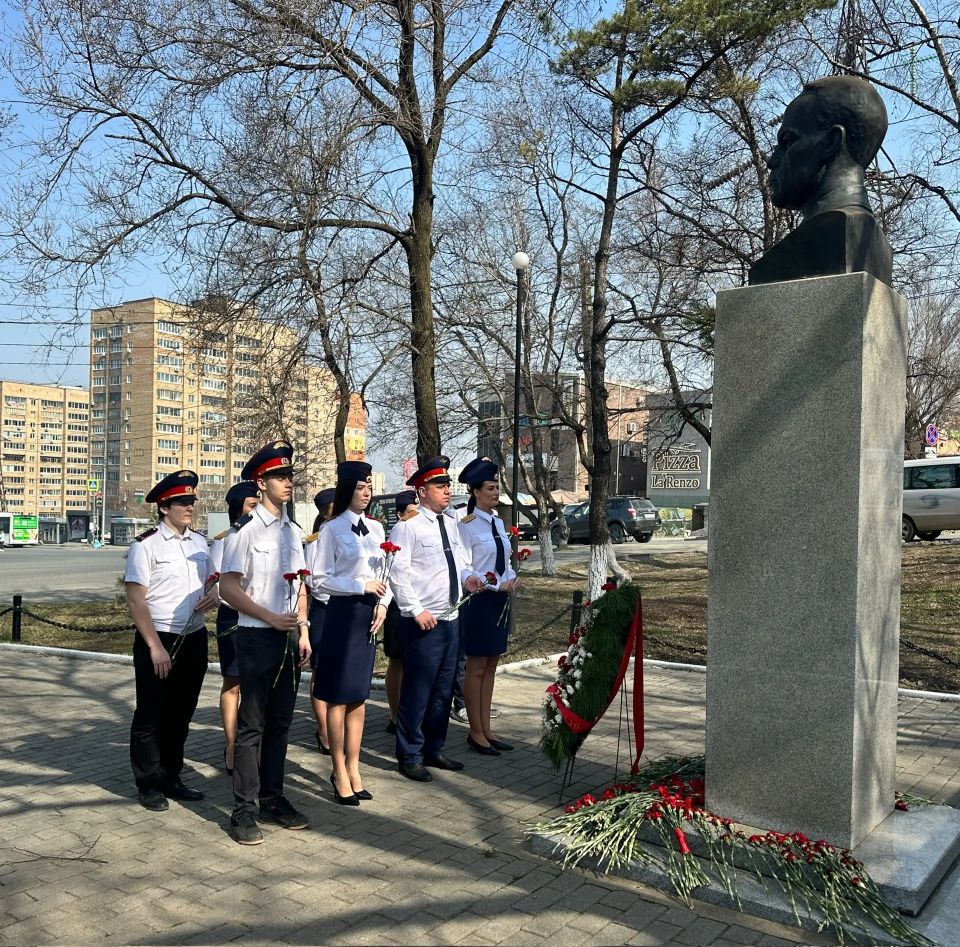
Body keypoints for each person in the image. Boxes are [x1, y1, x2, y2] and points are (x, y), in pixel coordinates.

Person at [220, 440, 311, 845]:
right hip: (256, 638)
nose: (287, 482)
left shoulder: (293, 532)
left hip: (288, 640)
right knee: (251, 727)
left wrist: (302, 628)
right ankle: (243, 811)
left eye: (289, 475)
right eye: (279, 476)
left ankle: (274, 798)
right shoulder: (244, 532)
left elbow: (301, 585)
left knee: (281, 724)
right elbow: (228, 588)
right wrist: (270, 617)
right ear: (261, 482)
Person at [124, 469, 218, 811]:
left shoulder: (199, 542)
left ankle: (171, 776)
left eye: (192, 501)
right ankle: (148, 782)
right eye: (182, 502)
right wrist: (154, 646)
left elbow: (211, 582)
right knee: (151, 712)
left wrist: (215, 594)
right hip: (159, 637)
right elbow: (137, 599)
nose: (190, 507)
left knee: (181, 713)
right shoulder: (146, 545)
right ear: (164, 507)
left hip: (193, 637)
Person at [388, 456, 483, 782]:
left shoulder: (451, 524)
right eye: (439, 486)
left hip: (450, 617)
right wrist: (416, 610)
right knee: (418, 688)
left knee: (443, 688)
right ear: (422, 490)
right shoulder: (407, 527)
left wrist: (469, 578)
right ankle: (409, 753)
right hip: (423, 621)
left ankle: (434, 748)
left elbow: (461, 562)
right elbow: (397, 574)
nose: (446, 490)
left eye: (446, 485)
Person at [311, 461, 391, 804]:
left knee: (358, 695)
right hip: (341, 614)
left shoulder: (376, 529)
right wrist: (360, 585)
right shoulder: (331, 530)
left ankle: (355, 767)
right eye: (360, 488)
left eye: (369, 488)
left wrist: (385, 603)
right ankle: (338, 769)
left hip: (369, 616)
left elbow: (388, 571)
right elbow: (318, 579)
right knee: (338, 695)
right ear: (347, 490)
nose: (367, 493)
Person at [456, 458, 517, 756]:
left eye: (496, 487)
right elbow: (465, 566)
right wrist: (494, 583)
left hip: (499, 600)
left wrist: (512, 579)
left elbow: (503, 562)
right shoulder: (466, 525)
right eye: (491, 488)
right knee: (477, 667)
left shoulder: (497, 521)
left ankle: (488, 731)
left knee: (492, 664)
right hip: (479, 600)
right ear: (476, 492)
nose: (496, 492)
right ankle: (475, 732)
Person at [209, 480, 261, 775]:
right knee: (234, 682)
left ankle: (253, 744)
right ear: (237, 509)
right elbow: (217, 584)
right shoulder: (225, 539)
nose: (257, 510)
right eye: (252, 505)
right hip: (234, 619)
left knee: (258, 685)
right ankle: (231, 744)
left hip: (263, 619)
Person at [303, 486, 335, 754]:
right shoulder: (315, 541)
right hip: (324, 610)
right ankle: (323, 730)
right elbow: (313, 580)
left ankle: (336, 726)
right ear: (325, 516)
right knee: (321, 669)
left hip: (347, 611)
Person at [383, 490, 417, 734]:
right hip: (397, 604)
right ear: (399, 515)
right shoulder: (395, 535)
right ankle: (395, 716)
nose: (416, 517)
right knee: (398, 661)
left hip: (420, 604)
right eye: (411, 513)